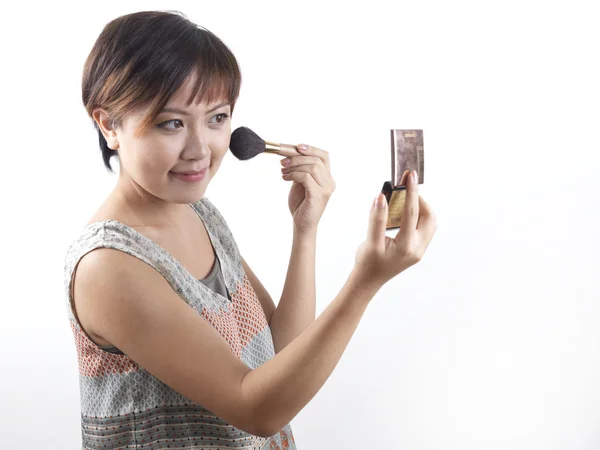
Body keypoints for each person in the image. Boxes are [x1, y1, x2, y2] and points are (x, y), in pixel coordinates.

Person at [63, 10, 437, 450]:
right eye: (172, 123)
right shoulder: (109, 268)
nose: (201, 149)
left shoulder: (200, 213)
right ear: (109, 124)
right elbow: (258, 409)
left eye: (218, 118)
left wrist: (306, 230)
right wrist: (364, 282)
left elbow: (276, 357)